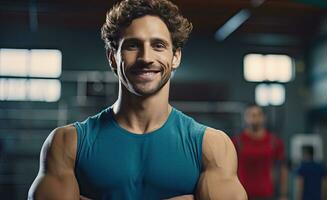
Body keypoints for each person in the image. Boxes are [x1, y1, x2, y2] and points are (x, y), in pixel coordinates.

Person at [27, 0, 247, 199]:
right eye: (133, 45)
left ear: (176, 56)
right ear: (113, 57)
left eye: (158, 45)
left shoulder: (212, 147)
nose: (146, 58)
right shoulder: (67, 144)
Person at [232, 104, 288, 200]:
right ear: (245, 118)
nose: (255, 118)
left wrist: (283, 194)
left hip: (267, 194)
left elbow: (283, 169)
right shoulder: (236, 141)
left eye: (258, 115)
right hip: (242, 195)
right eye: (251, 115)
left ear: (263, 118)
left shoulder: (274, 142)